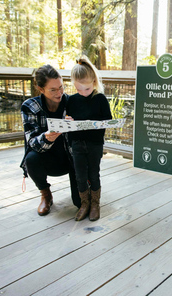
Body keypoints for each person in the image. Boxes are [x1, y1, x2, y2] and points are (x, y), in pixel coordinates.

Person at [20, 64, 81, 216]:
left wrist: (76, 125)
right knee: (31, 159)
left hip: (72, 158)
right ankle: (46, 195)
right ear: (41, 89)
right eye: (53, 90)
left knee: (80, 203)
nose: (59, 93)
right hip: (46, 159)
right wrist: (47, 138)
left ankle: (85, 192)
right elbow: (32, 143)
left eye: (61, 87)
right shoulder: (29, 107)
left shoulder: (72, 102)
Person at [67, 56, 112, 221]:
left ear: (93, 82)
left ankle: (95, 204)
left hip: (94, 144)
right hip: (77, 145)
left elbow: (108, 120)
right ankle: (84, 203)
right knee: (80, 175)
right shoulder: (71, 100)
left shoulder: (99, 98)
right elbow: (67, 124)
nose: (83, 93)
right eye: (79, 89)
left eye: (86, 89)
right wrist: (68, 122)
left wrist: (97, 123)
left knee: (94, 173)